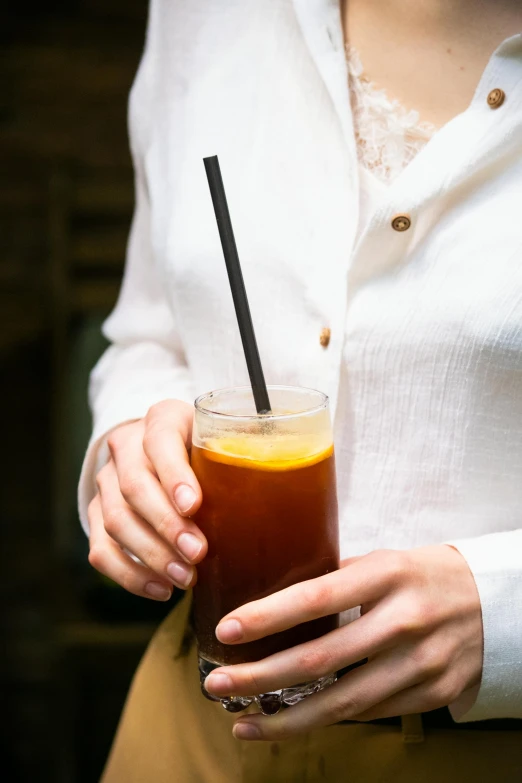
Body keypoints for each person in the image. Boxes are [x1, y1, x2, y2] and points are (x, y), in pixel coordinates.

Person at [79, 1, 522, 780]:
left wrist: (504, 614)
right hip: (192, 714)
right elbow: (150, 332)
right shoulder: (202, 15)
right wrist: (129, 444)